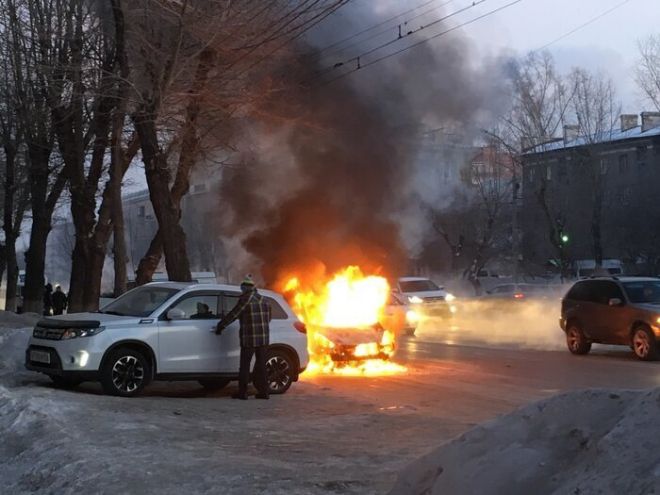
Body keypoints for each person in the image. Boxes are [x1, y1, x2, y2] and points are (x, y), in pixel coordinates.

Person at [216, 276, 271, 400]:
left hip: (249, 338)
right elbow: (269, 318)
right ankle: (264, 392)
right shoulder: (264, 300)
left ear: (246, 288)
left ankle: (243, 393)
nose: (241, 289)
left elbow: (234, 315)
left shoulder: (245, 299)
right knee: (261, 365)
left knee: (245, 366)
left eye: (242, 287)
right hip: (263, 338)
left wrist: (221, 326)